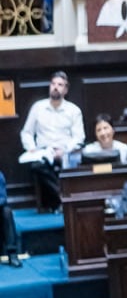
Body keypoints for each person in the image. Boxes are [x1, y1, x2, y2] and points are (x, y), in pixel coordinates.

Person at [20, 71, 84, 213]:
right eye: (53, 84)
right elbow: (26, 132)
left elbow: (79, 137)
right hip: (43, 151)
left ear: (65, 90)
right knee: (36, 166)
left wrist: (65, 150)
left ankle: (59, 201)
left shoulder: (74, 110)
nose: (55, 87)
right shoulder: (38, 107)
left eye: (60, 85)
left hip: (66, 151)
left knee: (75, 163)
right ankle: (62, 198)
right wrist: (31, 147)